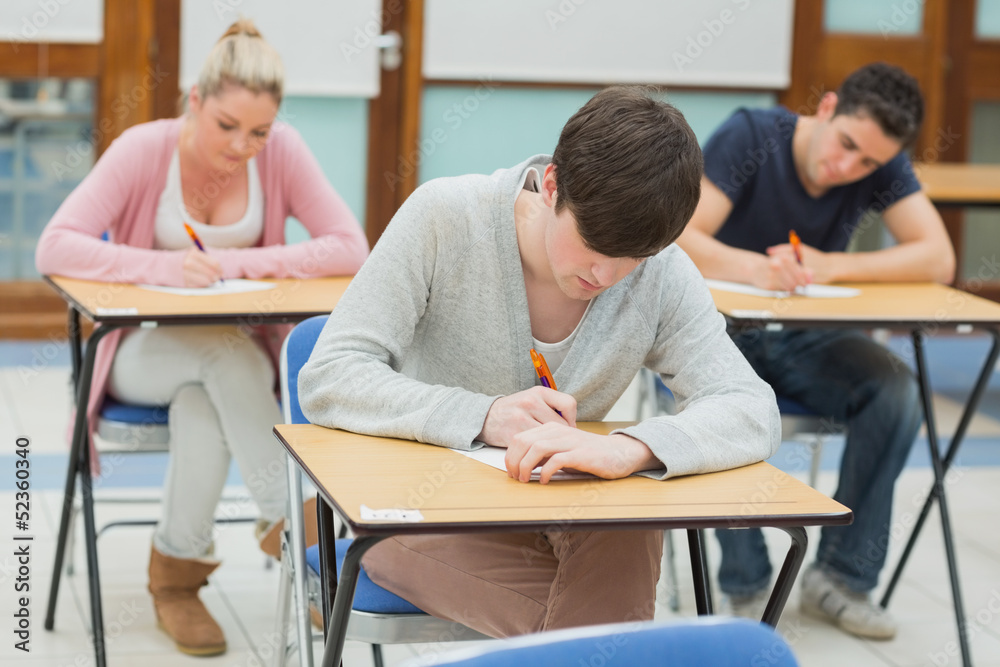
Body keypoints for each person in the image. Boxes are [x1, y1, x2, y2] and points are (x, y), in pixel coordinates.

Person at [298, 86, 781, 638]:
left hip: (557, 513)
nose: (606, 276)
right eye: (593, 246)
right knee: (611, 636)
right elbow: (331, 375)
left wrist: (627, 448)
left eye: (633, 259)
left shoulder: (661, 271)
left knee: (631, 520)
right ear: (551, 185)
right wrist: (483, 415)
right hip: (417, 509)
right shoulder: (446, 217)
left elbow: (749, 407)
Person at [35, 20, 368, 656]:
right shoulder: (143, 149)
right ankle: (295, 535)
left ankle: (176, 579)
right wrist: (163, 268)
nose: (243, 146)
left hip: (228, 370)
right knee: (220, 352)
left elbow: (350, 247)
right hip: (139, 352)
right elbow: (56, 243)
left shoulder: (283, 153)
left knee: (204, 396)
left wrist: (244, 263)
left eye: (259, 132)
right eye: (226, 125)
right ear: (194, 100)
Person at [675, 62, 956, 640]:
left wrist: (832, 266)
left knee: (895, 389)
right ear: (826, 108)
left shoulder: (880, 156)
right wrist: (757, 267)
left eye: (868, 164)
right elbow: (681, 236)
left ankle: (842, 579)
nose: (848, 167)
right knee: (723, 393)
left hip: (804, 334)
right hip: (722, 331)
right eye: (847, 145)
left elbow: (938, 257)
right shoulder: (752, 135)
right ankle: (746, 584)